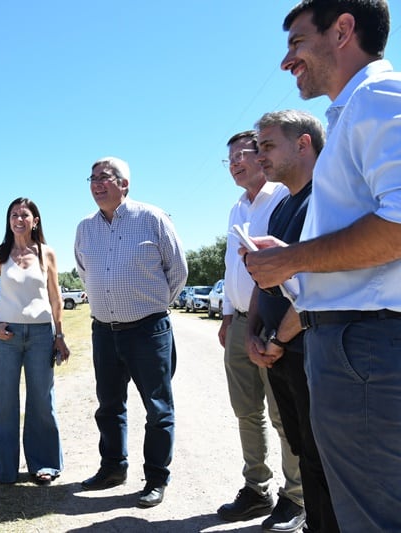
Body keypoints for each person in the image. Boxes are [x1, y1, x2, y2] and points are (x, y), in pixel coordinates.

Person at [245, 1, 400, 530]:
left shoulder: (378, 97)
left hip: (366, 345)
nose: (287, 61)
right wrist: (293, 264)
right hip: (352, 343)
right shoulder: (355, 110)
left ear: (343, 30)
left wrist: (292, 259)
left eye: (296, 43)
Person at [74, 156, 187, 508]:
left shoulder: (152, 218)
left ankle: (155, 477)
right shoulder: (85, 228)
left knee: (158, 408)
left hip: (147, 331)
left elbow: (178, 271)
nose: (97, 184)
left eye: (105, 177)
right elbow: (82, 272)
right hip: (103, 332)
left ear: (124, 184)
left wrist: (150, 308)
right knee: (109, 406)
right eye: (92, 178)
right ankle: (112, 468)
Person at [245, 110, 338, 533]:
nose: (259, 156)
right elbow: (265, 275)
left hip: (311, 349)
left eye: (268, 146)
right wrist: (253, 331)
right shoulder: (284, 204)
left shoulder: (329, 199)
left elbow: (325, 282)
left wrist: (279, 339)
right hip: (280, 350)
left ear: (303, 143)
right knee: (305, 451)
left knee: (325, 459)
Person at [215, 130, 304, 531]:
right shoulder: (237, 207)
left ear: (263, 156)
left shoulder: (283, 197)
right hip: (239, 322)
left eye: (242, 154)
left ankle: (296, 496)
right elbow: (234, 269)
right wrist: (228, 316)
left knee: (283, 412)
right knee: (245, 411)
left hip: (276, 320)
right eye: (229, 158)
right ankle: (257, 488)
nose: (235, 162)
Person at [0, 197, 68, 485]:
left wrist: (59, 335)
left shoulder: (47, 253)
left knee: (41, 400)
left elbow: (55, 298)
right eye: (14, 214)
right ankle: (4, 469)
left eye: (24, 215)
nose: (19, 219)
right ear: (9, 220)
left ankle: (44, 464)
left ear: (35, 220)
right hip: (7, 337)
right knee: (3, 402)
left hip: (42, 335)